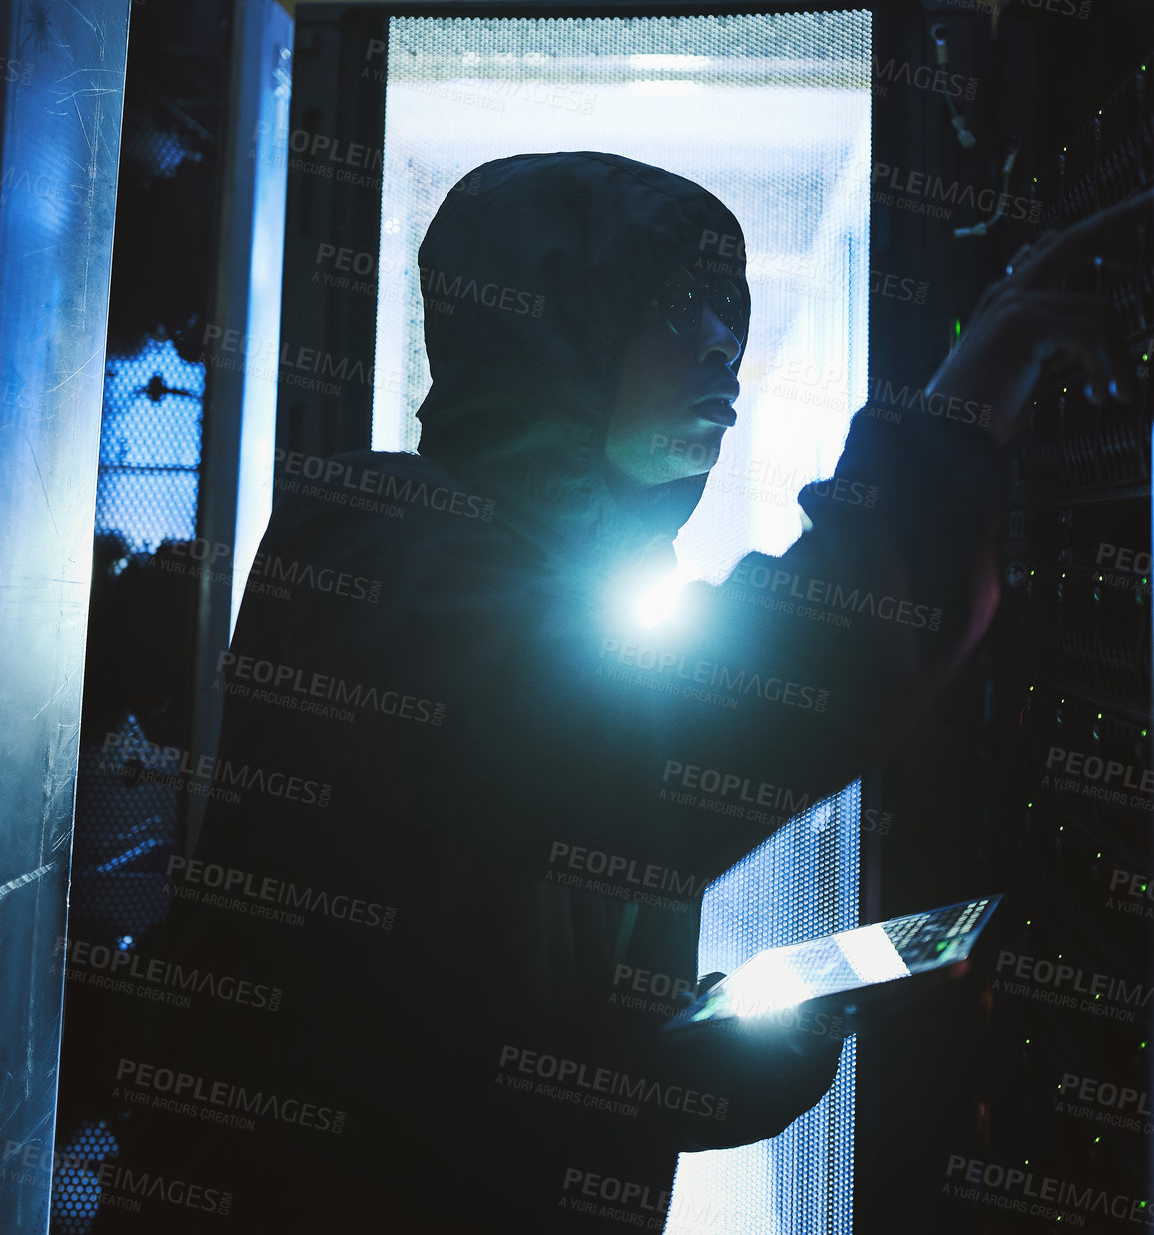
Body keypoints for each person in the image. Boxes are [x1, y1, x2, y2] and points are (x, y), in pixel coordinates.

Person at [92, 151, 1145, 1233]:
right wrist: (978, 382)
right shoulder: (378, 541)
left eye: (731, 310)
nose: (722, 342)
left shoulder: (540, 588)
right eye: (679, 299)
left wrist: (702, 1060)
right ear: (557, 321)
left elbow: (470, 1025)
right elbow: (727, 727)